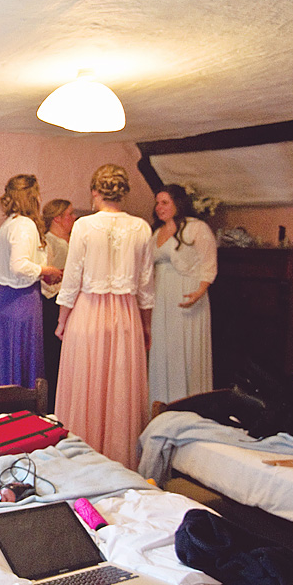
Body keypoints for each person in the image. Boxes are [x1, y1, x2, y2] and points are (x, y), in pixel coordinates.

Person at [54, 165, 154, 469]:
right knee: (119, 383)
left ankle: (79, 461)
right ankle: (117, 460)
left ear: (95, 192)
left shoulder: (84, 226)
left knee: (85, 383)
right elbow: (146, 284)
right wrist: (146, 326)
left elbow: (72, 279)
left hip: (88, 312)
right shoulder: (141, 228)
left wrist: (61, 320)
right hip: (125, 316)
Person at [0, 174, 62, 388]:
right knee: (21, 360)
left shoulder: (10, 223)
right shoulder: (24, 225)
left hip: (6, 299)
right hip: (20, 301)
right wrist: (47, 269)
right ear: (31, 197)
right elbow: (19, 266)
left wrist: (42, 273)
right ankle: (21, 413)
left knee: (7, 365)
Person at [148, 183, 218, 406]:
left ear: (178, 203)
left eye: (165, 202)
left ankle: (189, 404)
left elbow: (209, 263)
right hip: (161, 295)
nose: (159, 207)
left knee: (184, 351)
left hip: (187, 294)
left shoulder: (197, 228)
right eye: (157, 203)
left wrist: (200, 291)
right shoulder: (157, 232)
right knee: (163, 349)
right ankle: (161, 404)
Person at [39, 198, 75, 410]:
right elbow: (47, 279)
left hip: (73, 303)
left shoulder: (73, 241)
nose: (74, 218)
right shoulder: (49, 242)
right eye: (69, 214)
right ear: (58, 219)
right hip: (54, 303)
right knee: (54, 356)